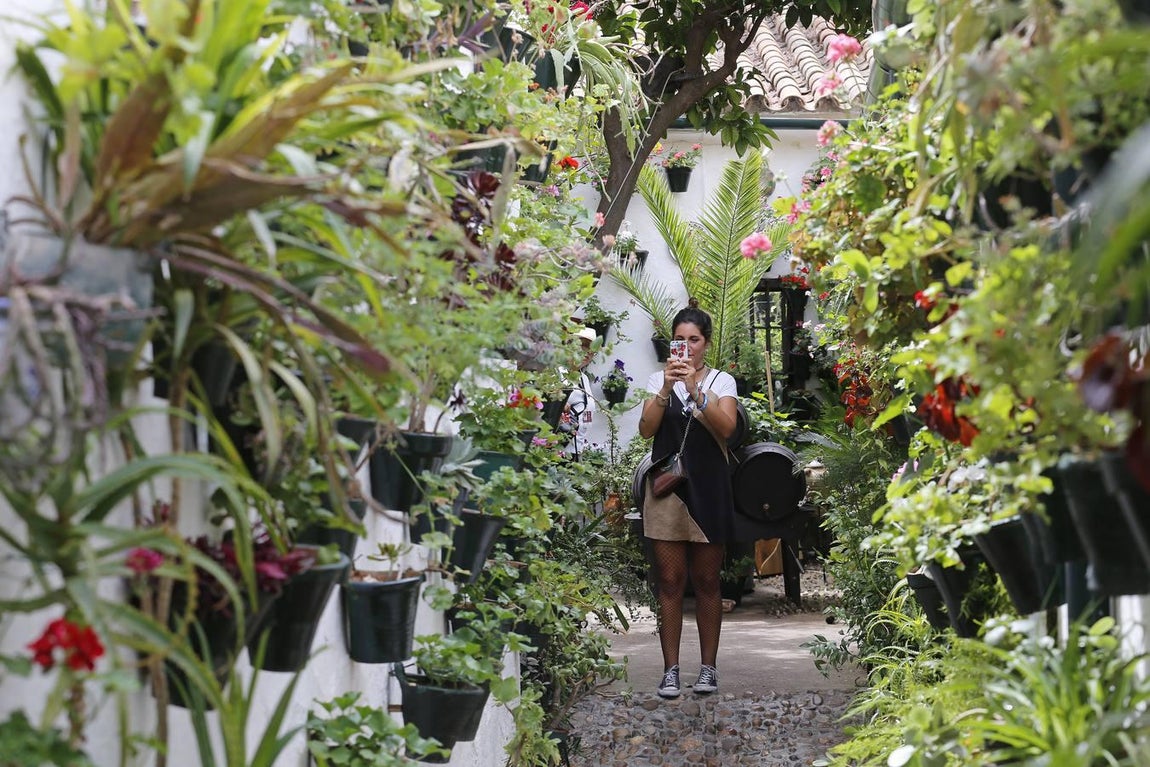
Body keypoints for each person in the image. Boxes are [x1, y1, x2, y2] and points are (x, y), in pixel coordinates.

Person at [637, 301, 739, 698]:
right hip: (667, 491)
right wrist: (666, 387)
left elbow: (727, 427)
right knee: (669, 581)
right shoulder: (655, 381)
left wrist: (696, 390)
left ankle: (708, 669)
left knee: (709, 580)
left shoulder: (722, 382)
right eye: (679, 340)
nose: (686, 347)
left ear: (706, 344)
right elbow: (646, 430)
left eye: (693, 340)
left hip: (709, 491)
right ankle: (670, 671)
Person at [558, 327, 597, 459]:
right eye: (583, 345)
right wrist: (559, 404)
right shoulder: (556, 374)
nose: (587, 352)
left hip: (575, 450)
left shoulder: (584, 378)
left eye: (592, 349)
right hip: (556, 451)